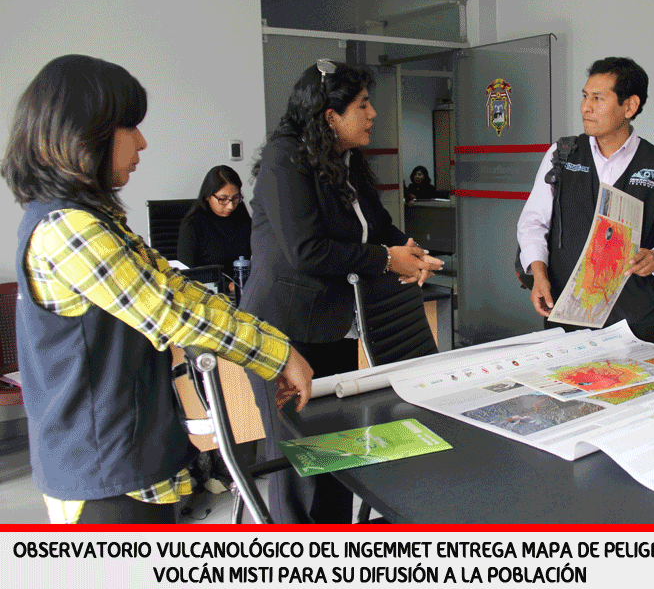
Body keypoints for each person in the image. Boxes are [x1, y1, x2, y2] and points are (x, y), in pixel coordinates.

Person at [1, 54, 313, 524]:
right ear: (82, 135)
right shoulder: (68, 228)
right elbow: (172, 311)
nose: (142, 142)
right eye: (130, 126)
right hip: (104, 474)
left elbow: (175, 286)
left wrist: (272, 346)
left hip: (133, 457)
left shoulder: (95, 220)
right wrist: (277, 353)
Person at [241, 59, 443, 523]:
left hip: (330, 324)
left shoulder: (344, 159)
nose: (372, 114)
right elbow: (306, 250)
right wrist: (385, 259)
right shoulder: (285, 158)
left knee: (334, 457)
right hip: (284, 330)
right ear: (330, 115)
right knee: (300, 464)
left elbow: (377, 227)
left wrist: (408, 251)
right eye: (363, 104)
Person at [516, 57, 654, 343]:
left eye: (598, 98)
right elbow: (532, 223)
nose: (586, 107)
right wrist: (539, 274)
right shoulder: (562, 155)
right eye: (585, 96)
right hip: (569, 319)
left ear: (630, 106)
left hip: (635, 323)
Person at [177, 164, 252, 272]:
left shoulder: (242, 216)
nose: (230, 206)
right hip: (209, 287)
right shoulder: (192, 225)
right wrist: (228, 286)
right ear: (207, 196)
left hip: (244, 286)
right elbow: (187, 276)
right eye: (223, 199)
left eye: (235, 198)